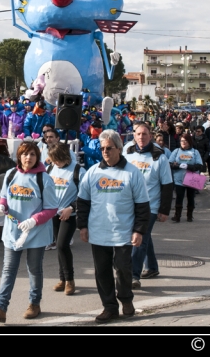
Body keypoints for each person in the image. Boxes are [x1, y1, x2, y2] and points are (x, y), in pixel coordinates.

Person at [76, 130, 150, 323]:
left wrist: (139, 230)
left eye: (109, 148)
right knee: (102, 272)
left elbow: (142, 205)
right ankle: (109, 307)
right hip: (98, 232)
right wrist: (82, 226)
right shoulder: (93, 172)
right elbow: (82, 201)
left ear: (119, 148)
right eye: (102, 148)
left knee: (124, 270)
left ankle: (126, 299)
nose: (105, 151)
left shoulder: (132, 173)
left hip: (124, 233)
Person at [0, 141, 57, 323]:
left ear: (37, 157)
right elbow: (3, 197)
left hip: (35, 233)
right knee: (8, 269)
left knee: (34, 269)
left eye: (32, 154)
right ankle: (1, 307)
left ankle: (34, 303)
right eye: (25, 154)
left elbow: (51, 209)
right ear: (19, 156)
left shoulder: (44, 179)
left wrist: (34, 220)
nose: (28, 158)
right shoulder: (10, 174)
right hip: (13, 233)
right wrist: (1, 207)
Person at [123, 122, 174, 289]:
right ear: (134, 135)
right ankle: (152, 267)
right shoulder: (127, 152)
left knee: (139, 239)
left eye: (144, 134)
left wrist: (164, 210)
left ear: (150, 136)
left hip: (150, 206)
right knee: (144, 236)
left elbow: (167, 185)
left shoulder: (160, 157)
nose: (141, 137)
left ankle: (133, 275)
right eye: (138, 134)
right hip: (130, 204)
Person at [46, 143, 85, 295]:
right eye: (53, 159)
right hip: (54, 214)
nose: (55, 162)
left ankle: (70, 280)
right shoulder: (50, 169)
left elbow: (85, 196)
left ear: (65, 156)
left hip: (69, 215)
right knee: (58, 246)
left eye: (57, 159)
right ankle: (62, 279)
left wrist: (72, 208)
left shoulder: (78, 171)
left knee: (63, 245)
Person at [168, 133, 204, 223]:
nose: (183, 143)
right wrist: (178, 166)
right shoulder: (176, 151)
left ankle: (189, 215)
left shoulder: (195, 152)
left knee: (191, 197)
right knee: (179, 197)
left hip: (191, 179)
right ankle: (177, 215)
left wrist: (188, 166)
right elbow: (170, 164)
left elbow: (199, 165)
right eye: (182, 141)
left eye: (185, 141)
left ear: (189, 142)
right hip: (179, 179)